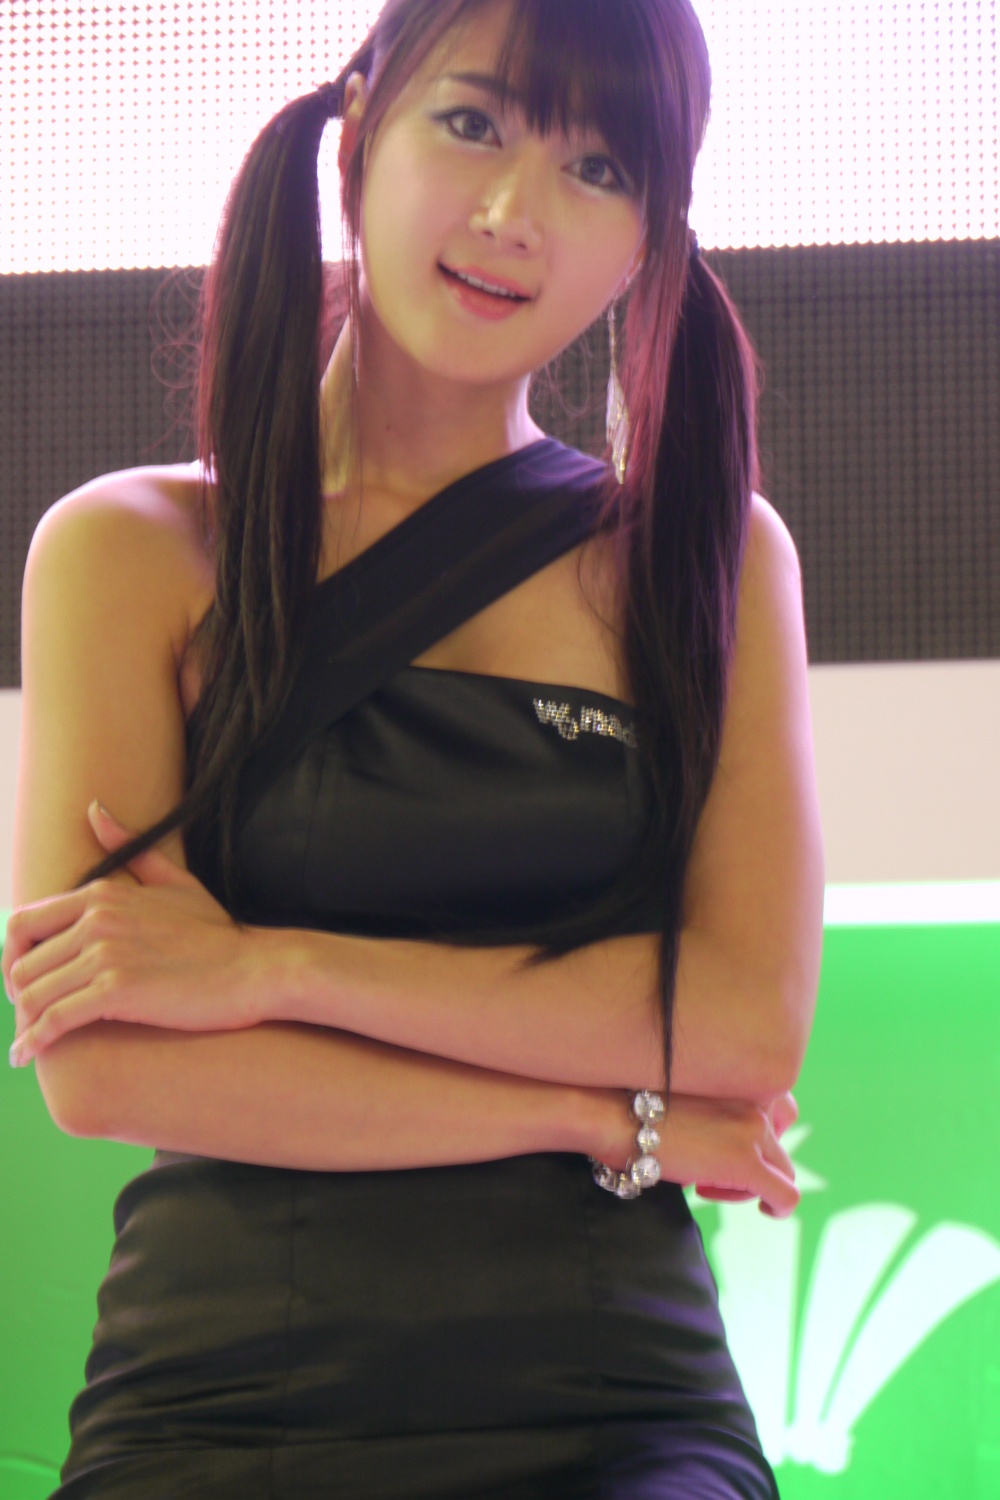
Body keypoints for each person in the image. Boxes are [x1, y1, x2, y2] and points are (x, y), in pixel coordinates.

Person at [6, 0, 825, 1494]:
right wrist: (589, 1110)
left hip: (616, 1407)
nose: (516, 212)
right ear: (356, 135)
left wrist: (274, 969)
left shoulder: (700, 557)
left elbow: (740, 1026)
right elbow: (109, 1067)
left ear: (647, 238)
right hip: (219, 1403)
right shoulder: (128, 550)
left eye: (599, 168)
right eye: (473, 124)